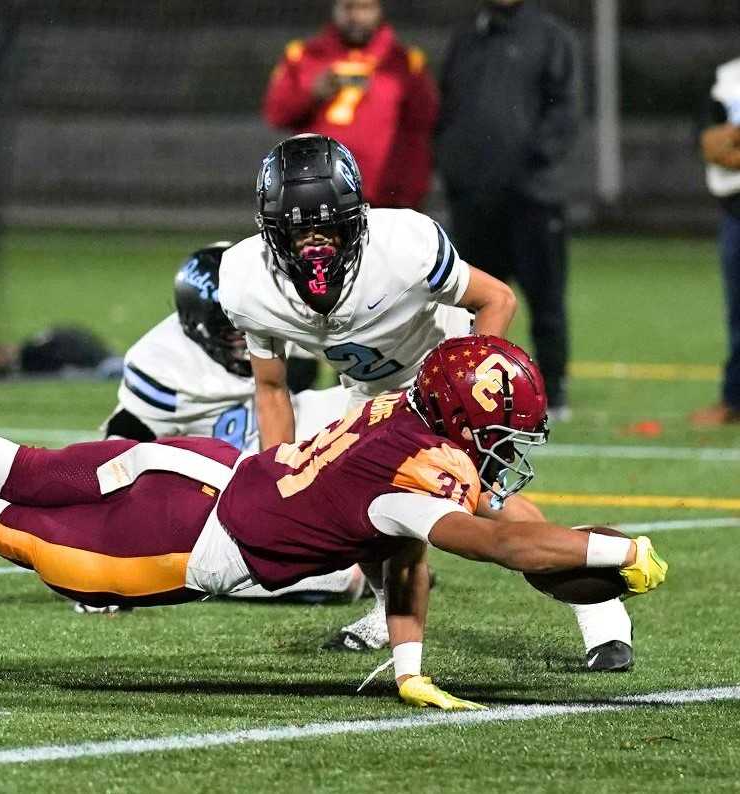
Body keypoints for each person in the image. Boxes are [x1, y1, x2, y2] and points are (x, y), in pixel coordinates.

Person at [0, 336, 668, 708]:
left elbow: (399, 550)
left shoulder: (405, 411)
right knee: (17, 529)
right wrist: (621, 549)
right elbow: (510, 545)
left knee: (28, 466)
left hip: (206, 465)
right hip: (183, 543)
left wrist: (408, 666)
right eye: (501, 433)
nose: (508, 450)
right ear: (464, 423)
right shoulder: (420, 470)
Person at [220, 133, 634, 670]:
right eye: (298, 233)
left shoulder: (404, 245)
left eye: (328, 228)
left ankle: (600, 612)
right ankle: (385, 609)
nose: (315, 245)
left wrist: (471, 389)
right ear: (270, 234)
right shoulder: (246, 281)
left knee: (486, 500)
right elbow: (272, 386)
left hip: (442, 383)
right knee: (361, 518)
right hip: (368, 396)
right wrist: (276, 472)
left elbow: (497, 298)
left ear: (357, 220)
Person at [103, 242, 362, 605]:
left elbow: (296, 381)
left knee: (376, 413)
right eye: (233, 332)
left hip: (280, 434)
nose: (246, 343)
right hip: (220, 483)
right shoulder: (163, 363)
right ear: (198, 327)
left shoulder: (278, 307)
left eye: (248, 326)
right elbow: (122, 434)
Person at [435, 0, 579, 419]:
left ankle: (553, 390)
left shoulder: (551, 36)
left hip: (532, 198)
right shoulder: (467, 35)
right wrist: (457, 166)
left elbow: (566, 111)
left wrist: (526, 163)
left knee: (545, 298)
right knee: (465, 304)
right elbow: (448, 107)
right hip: (475, 199)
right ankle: (468, 391)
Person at [262, 0, 437, 210]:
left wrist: (410, 193)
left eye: (365, 8)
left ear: (379, 10)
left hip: (384, 197)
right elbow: (275, 113)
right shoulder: (303, 56)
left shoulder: (404, 62)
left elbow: (425, 125)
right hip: (319, 193)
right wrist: (311, 95)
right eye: (348, 8)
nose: (356, 17)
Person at [692, 56, 740, 426]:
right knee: (738, 314)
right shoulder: (726, 78)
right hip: (736, 213)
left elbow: (728, 144)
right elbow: (713, 148)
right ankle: (735, 399)